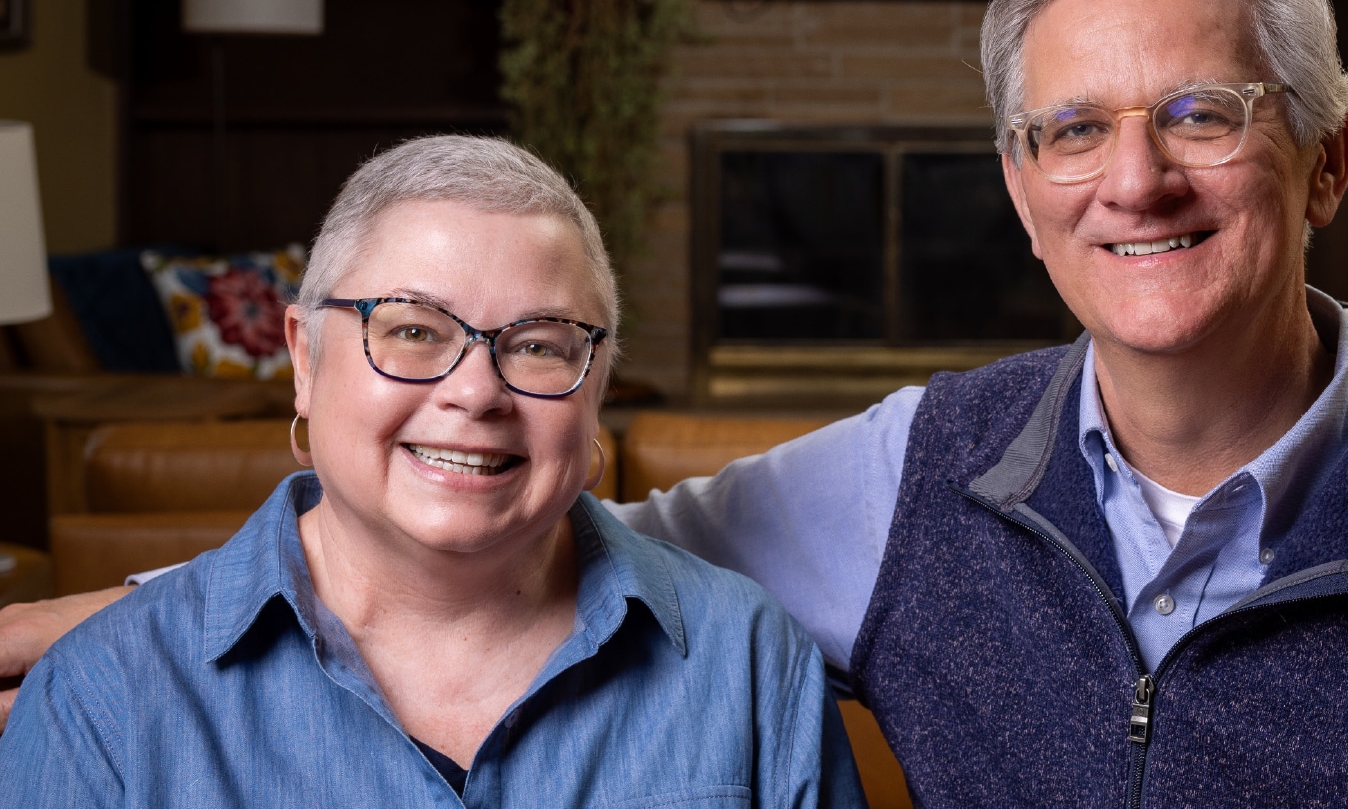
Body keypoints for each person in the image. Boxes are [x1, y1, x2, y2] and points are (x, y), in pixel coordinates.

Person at [3, 0, 1348, 807]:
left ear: (1328, 156)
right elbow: (512, 535)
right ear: (1019, 190)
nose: (1134, 179)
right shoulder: (910, 474)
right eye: (1070, 131)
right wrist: (127, 619)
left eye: (1201, 117)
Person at [0, 136, 864, 807]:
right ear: (305, 357)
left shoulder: (748, 661)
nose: (475, 392)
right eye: (413, 329)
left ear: (595, 385)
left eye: (537, 344)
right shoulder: (103, 694)